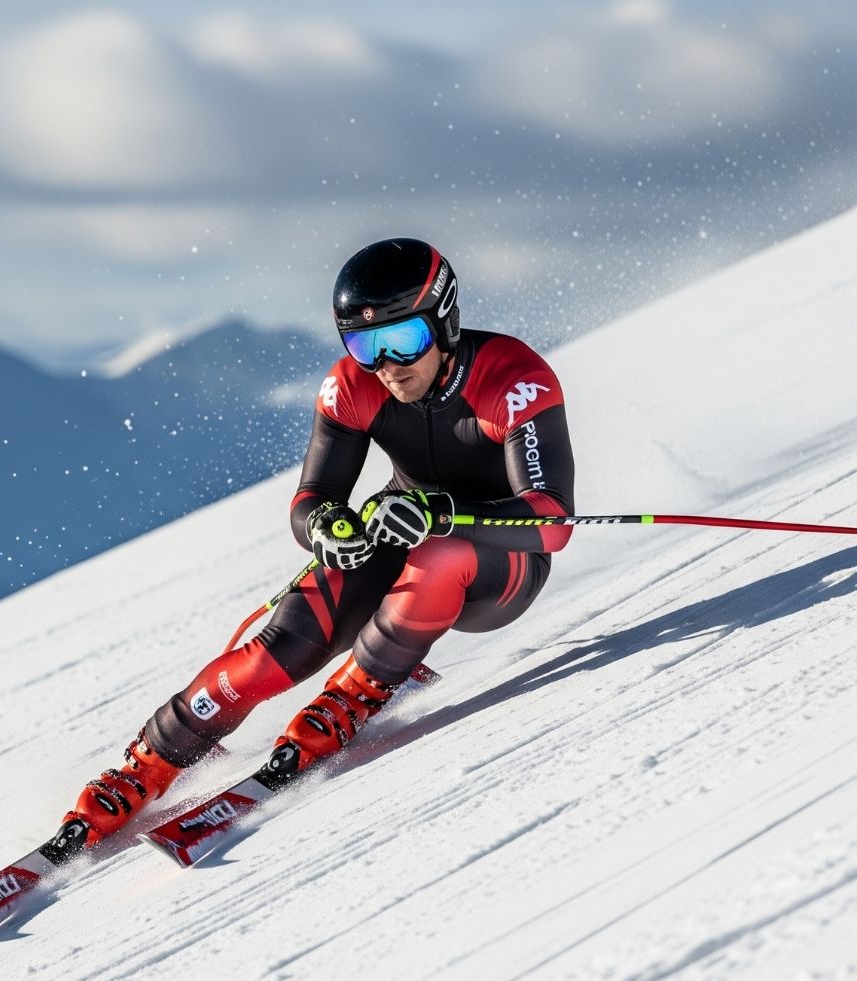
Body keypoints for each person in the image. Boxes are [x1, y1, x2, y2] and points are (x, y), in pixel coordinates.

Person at [60, 237, 575, 845]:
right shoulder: (352, 388)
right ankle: (149, 760)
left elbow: (552, 522)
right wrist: (328, 526)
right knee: (279, 648)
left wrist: (444, 513)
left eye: (403, 338)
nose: (386, 363)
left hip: (498, 564)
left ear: (444, 320)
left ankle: (361, 688)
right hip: (400, 525)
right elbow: (311, 500)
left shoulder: (513, 379)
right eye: (364, 345)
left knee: (441, 554)